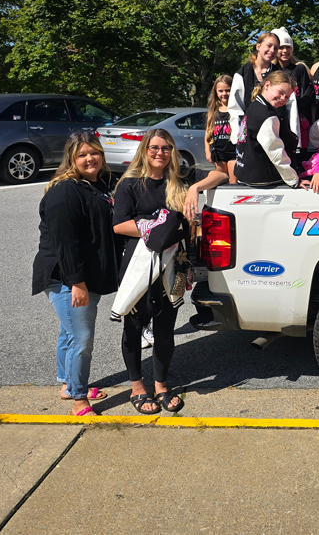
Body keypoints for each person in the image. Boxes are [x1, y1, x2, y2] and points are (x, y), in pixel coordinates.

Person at [112, 128, 227, 414]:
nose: (160, 153)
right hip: (140, 264)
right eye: (154, 147)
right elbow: (118, 225)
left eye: (166, 148)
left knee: (165, 328)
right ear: (145, 150)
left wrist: (194, 188)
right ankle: (137, 387)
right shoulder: (130, 184)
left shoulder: (181, 179)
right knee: (134, 325)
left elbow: (223, 175)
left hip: (174, 265)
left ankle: (161, 384)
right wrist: (154, 228)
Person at [31, 132, 118, 417]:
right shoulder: (65, 191)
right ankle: (79, 400)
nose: (90, 158)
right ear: (71, 159)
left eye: (94, 152)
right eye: (82, 155)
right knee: (82, 338)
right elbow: (65, 243)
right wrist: (77, 283)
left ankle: (68, 385)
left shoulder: (99, 183)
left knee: (69, 334)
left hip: (83, 273)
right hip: (65, 276)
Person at [235, 71, 301, 188]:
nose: (282, 98)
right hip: (262, 179)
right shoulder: (266, 116)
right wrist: (294, 180)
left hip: (244, 174)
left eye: (287, 97)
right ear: (267, 85)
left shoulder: (254, 106)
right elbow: (276, 153)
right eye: (280, 92)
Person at [274, 27, 314, 155]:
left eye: (288, 47)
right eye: (281, 47)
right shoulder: (271, 70)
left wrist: (297, 108)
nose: (285, 51)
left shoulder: (300, 69)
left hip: (298, 121)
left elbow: (307, 94)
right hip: (278, 120)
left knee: (298, 156)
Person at [205, 75, 236, 182]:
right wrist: (207, 151)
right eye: (221, 91)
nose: (224, 94)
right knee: (220, 180)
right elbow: (208, 131)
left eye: (228, 90)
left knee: (233, 182)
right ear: (216, 92)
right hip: (218, 152)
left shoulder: (237, 109)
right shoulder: (213, 110)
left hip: (234, 152)